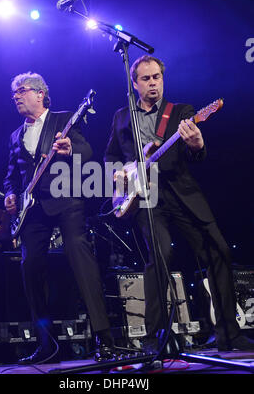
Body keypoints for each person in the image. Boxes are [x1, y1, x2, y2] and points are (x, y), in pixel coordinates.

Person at [104, 55, 254, 352]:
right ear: (134, 83)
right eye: (145, 79)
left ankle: (228, 333)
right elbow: (110, 156)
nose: (152, 83)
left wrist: (197, 144)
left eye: (157, 77)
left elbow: (194, 155)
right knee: (158, 258)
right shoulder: (123, 117)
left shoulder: (182, 112)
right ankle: (155, 339)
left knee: (218, 250)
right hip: (146, 196)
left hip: (180, 191)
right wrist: (119, 174)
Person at [3, 72, 116, 364]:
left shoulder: (63, 119)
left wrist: (68, 150)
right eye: (14, 92)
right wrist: (10, 195)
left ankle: (105, 339)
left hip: (66, 201)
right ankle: (47, 346)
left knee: (81, 260)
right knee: (30, 270)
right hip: (33, 210)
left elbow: (87, 150)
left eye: (22, 90)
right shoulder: (15, 135)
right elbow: (12, 176)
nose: (16, 95)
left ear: (40, 94)